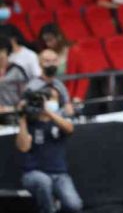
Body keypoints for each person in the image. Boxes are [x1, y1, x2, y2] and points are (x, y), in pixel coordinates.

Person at [16, 51, 82, 213]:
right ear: (39, 63)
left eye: (54, 60)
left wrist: (53, 113)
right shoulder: (32, 87)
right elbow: (23, 146)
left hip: (58, 171)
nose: (50, 64)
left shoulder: (60, 86)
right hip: (36, 172)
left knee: (75, 205)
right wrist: (23, 116)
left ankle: (57, 200)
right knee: (43, 181)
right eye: (46, 60)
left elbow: (68, 118)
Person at [0, 35, 30, 114]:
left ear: (7, 51)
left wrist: (14, 108)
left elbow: (25, 96)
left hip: (13, 113)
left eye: (2, 51)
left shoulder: (17, 71)